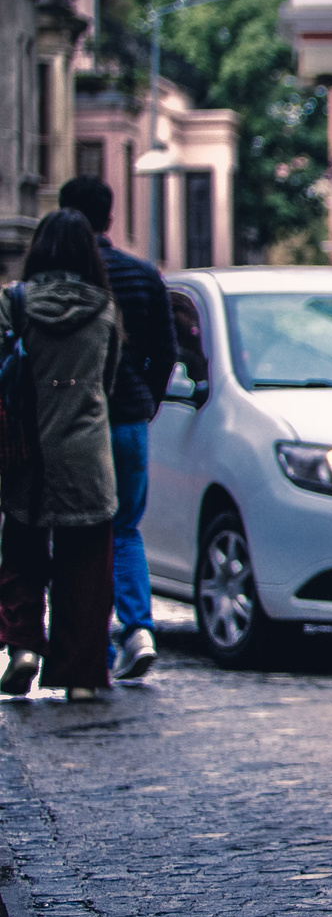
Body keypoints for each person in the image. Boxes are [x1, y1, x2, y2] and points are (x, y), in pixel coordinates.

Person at [0, 210, 124, 701]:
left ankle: (23, 645)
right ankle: (81, 676)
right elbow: (107, 382)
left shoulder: (15, 302)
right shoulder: (106, 310)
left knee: (22, 552)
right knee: (87, 568)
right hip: (86, 451)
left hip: (27, 449)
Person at [56, 177, 174, 680]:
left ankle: (95, 647)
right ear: (109, 217)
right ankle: (138, 628)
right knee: (125, 529)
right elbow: (165, 352)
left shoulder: (60, 282)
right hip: (128, 418)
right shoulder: (142, 275)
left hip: (74, 422)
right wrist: (144, 400)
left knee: (81, 536)